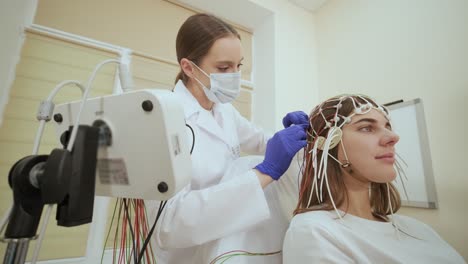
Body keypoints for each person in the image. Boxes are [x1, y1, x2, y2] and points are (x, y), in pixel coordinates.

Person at [152, 13, 309, 264]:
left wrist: (292, 134)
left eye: (239, 66)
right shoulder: (163, 121)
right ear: (189, 67)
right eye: (224, 68)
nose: (235, 76)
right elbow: (169, 224)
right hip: (188, 254)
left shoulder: (222, 108)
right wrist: (263, 173)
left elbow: (260, 139)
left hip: (229, 238)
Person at [282, 95, 465, 263]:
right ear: (328, 145)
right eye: (366, 128)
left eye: (388, 127)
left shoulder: (417, 228)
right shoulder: (314, 231)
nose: (393, 137)